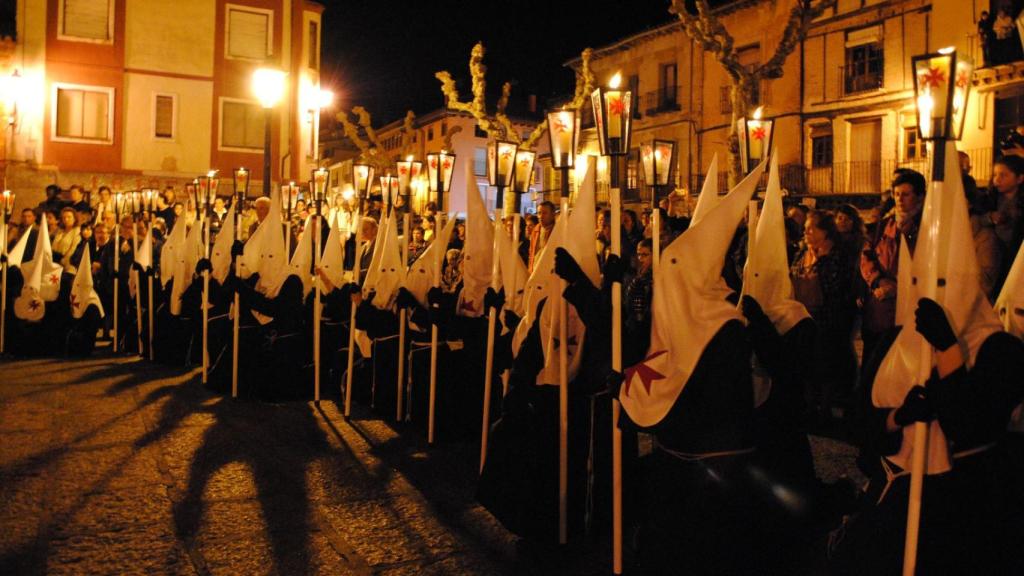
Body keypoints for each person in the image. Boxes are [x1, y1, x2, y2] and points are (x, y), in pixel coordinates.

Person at [791, 210, 856, 424]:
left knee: (827, 365)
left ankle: (825, 409)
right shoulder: (803, 252)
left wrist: (820, 262)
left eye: (811, 228)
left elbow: (837, 288)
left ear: (825, 232)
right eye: (806, 228)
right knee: (807, 363)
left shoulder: (837, 255)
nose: (806, 231)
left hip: (829, 319)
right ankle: (810, 406)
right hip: (806, 316)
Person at [861, 169, 926, 362]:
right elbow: (866, 254)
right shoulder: (884, 225)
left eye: (906, 194)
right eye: (897, 194)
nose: (900, 199)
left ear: (919, 196)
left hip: (909, 308)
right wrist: (878, 281)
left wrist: (901, 286)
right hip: (880, 309)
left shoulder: (927, 226)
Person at [984, 155, 1024, 293]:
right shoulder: (990, 200)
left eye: (1003, 175)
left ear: (1019, 178)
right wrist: (990, 217)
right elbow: (978, 219)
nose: (997, 180)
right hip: (994, 254)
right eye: (995, 175)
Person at [528, 201, 555, 273]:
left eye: (545, 213)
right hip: (535, 270)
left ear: (553, 214)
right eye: (539, 213)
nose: (541, 216)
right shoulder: (535, 230)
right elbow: (531, 252)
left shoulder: (557, 230)